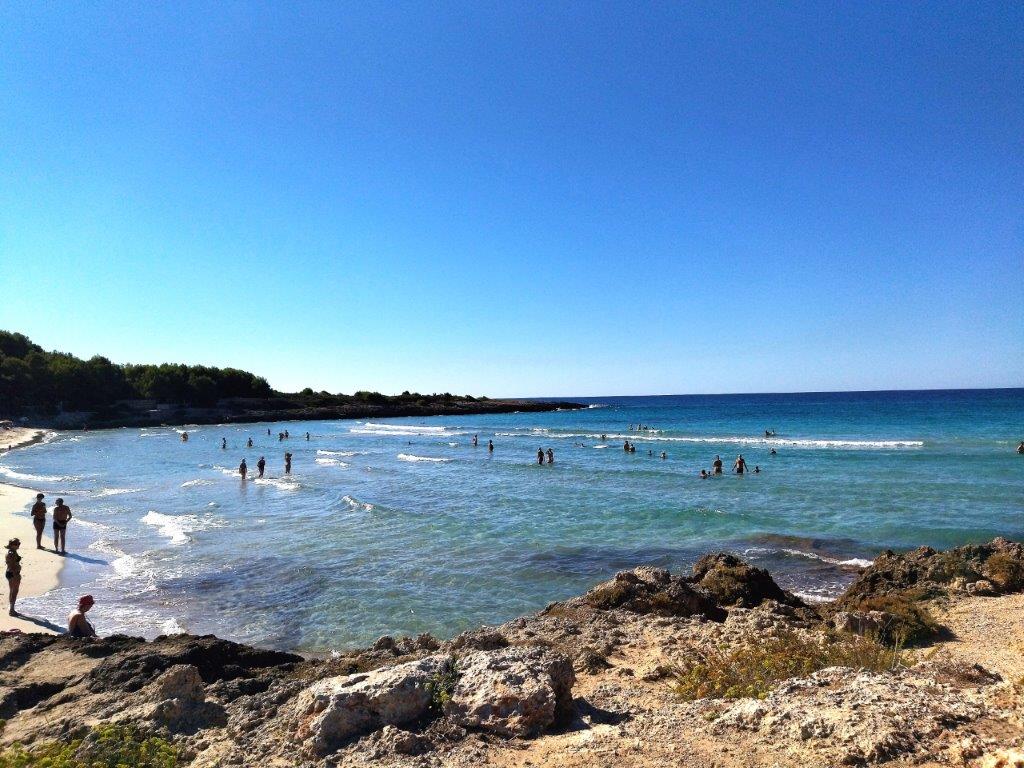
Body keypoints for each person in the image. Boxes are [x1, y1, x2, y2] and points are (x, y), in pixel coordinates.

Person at [5, 538, 21, 616]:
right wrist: (15, 574)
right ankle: (11, 610)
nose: (19, 545)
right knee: (14, 591)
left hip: (10, 573)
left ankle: (11, 608)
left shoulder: (12, 552)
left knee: (12, 591)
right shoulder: (11, 553)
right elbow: (11, 565)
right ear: (12, 545)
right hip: (13, 574)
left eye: (19, 543)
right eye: (17, 544)